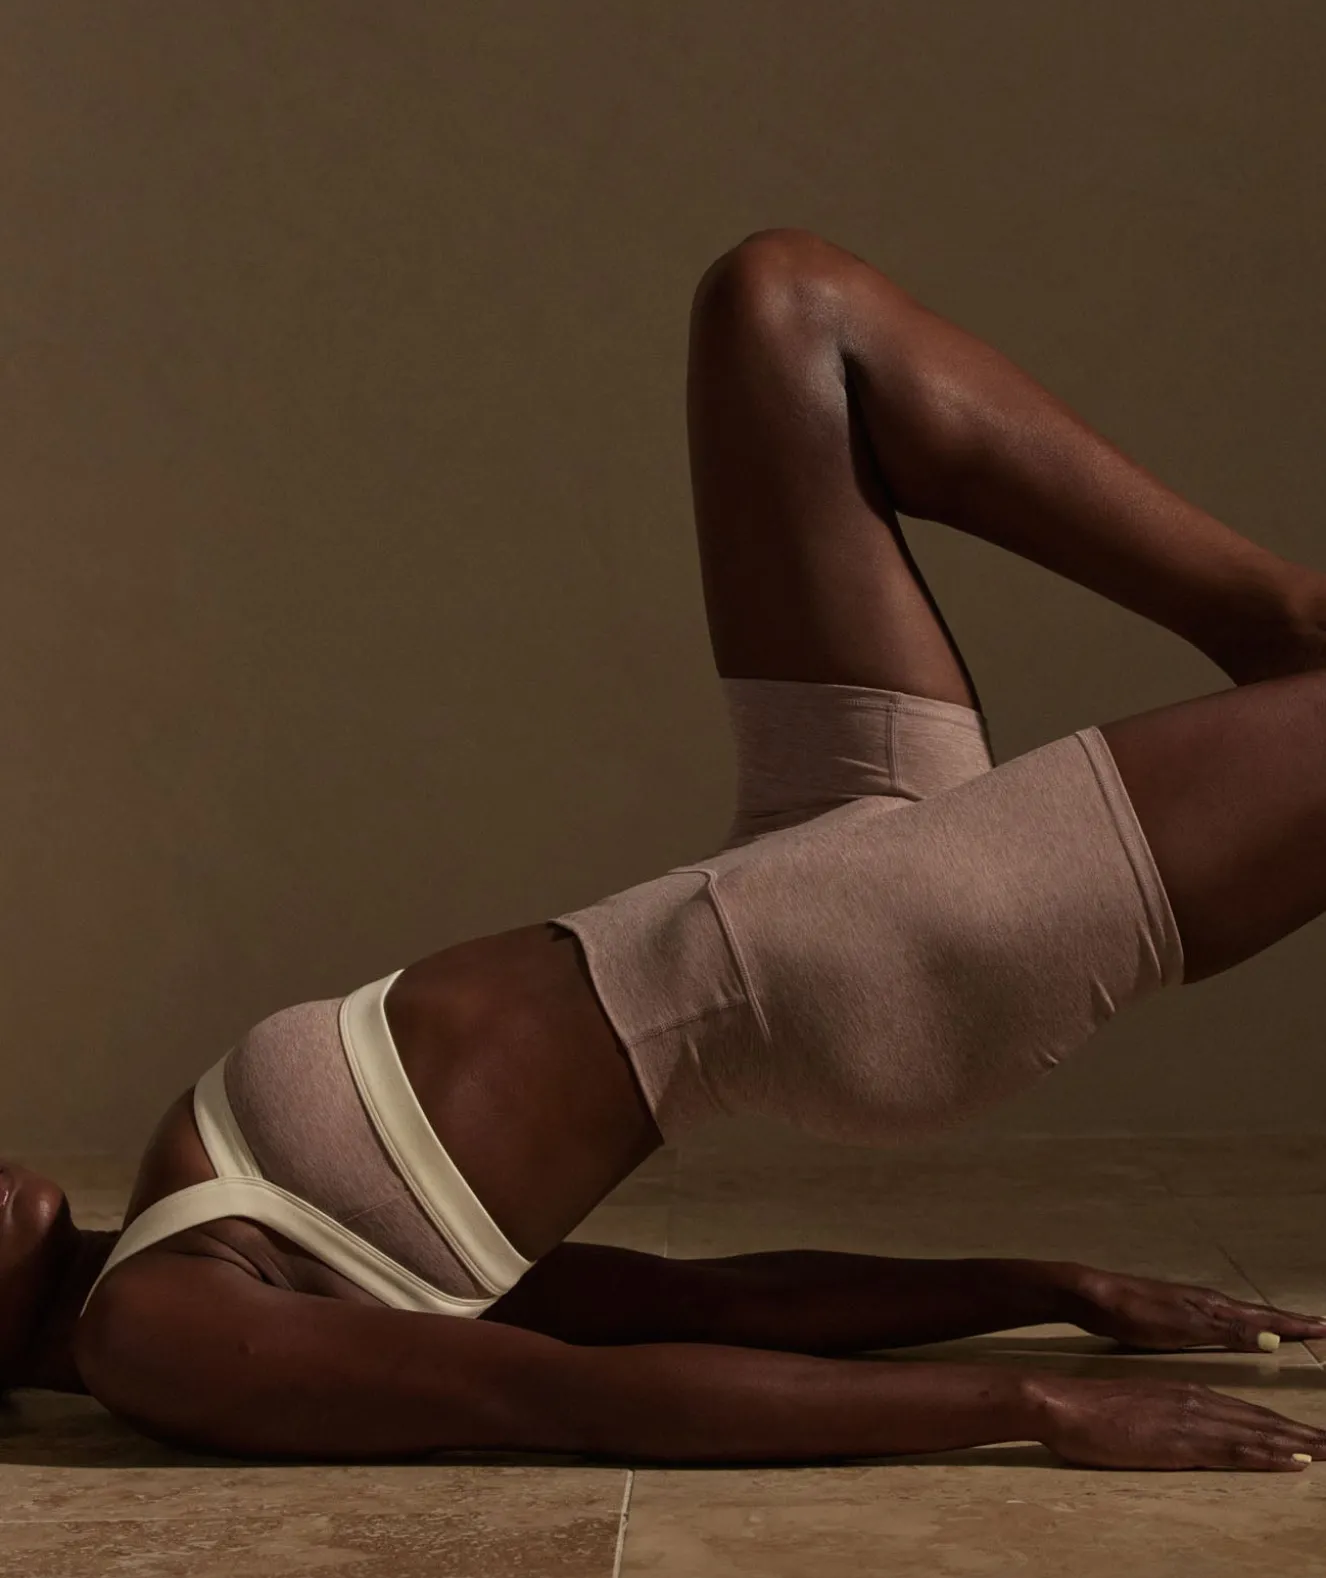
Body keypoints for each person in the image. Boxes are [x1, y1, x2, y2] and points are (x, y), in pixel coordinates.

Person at [6, 226, 1326, 1475]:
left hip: (807, 856)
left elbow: (703, 1302)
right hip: (856, 960)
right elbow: (567, 1395)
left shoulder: (183, 1229)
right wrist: (1032, 1406)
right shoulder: (155, 1334)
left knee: (778, 306)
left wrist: (1052, 1288)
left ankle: (1270, 622)